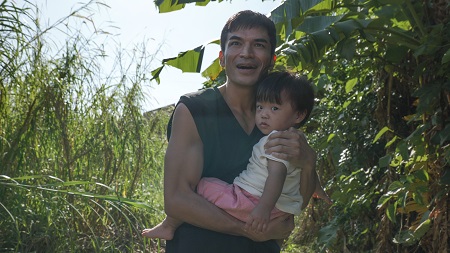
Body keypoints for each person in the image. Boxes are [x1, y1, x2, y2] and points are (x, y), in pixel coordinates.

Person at [142, 10, 329, 253]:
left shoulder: (278, 116)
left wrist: (308, 163)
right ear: (222, 57)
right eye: (236, 43)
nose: (246, 52)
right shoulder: (195, 109)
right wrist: (247, 230)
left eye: (258, 45)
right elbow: (177, 200)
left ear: (271, 60)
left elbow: (294, 203)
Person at [142, 71, 318, 241]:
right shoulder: (296, 144)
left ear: (299, 114)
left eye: (274, 108)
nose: (264, 114)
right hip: (275, 210)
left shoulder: (276, 141)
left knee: (204, 186)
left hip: (251, 202)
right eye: (260, 107)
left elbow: (276, 175)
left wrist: (263, 209)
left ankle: (169, 224)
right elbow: (302, 184)